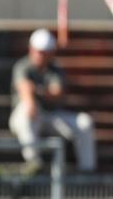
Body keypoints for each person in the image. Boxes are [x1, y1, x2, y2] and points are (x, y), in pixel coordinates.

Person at [9, 28, 96, 174]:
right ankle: (34, 162)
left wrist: (36, 90)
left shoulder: (55, 69)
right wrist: (32, 98)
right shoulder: (22, 66)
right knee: (27, 110)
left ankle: (87, 171)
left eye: (45, 52)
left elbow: (56, 92)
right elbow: (24, 88)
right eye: (39, 51)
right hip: (26, 118)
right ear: (31, 49)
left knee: (84, 122)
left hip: (51, 117)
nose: (41, 56)